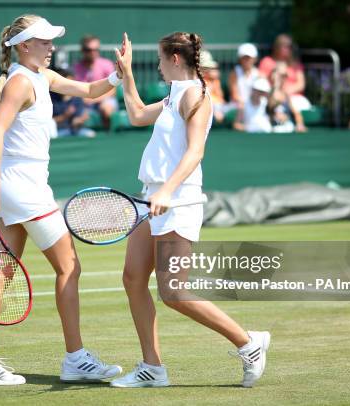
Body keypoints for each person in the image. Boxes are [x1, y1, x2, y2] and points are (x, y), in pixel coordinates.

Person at [0, 14, 124, 386]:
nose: (52, 47)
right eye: (44, 41)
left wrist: (119, 74)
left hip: (20, 185)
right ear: (24, 45)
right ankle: (75, 358)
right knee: (69, 267)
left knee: (1, 269)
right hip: (23, 186)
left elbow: (90, 91)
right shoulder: (20, 83)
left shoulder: (43, 77)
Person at [112, 32, 270, 388]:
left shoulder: (197, 95)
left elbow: (195, 151)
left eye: (159, 59)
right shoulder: (172, 95)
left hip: (177, 201)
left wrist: (167, 191)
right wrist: (127, 75)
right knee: (133, 278)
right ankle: (152, 367)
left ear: (176, 59)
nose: (157, 64)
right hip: (151, 198)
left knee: (174, 293)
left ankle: (249, 343)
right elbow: (137, 114)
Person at [72, 35, 118, 129]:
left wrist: (94, 99)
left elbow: (112, 91)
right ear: (83, 50)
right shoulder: (76, 67)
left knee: (106, 109)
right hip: (83, 102)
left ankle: (108, 136)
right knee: (75, 114)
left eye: (96, 49)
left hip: (103, 99)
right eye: (89, 50)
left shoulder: (107, 64)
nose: (93, 52)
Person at [258, 34, 310, 111]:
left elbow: (301, 84)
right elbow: (261, 81)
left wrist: (287, 92)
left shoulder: (295, 64)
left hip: (294, 98)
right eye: (285, 46)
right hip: (272, 97)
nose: (288, 49)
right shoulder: (266, 61)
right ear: (277, 47)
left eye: (290, 46)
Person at [51, 68, 95, 138]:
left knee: (90, 134)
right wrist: (64, 116)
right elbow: (49, 122)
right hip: (59, 131)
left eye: (71, 82)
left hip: (76, 130)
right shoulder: (51, 98)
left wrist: (80, 120)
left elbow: (76, 120)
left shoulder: (77, 98)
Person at [228, 43, 259, 110]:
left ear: (255, 59)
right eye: (244, 58)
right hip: (237, 106)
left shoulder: (258, 74)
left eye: (249, 58)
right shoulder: (234, 73)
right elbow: (234, 96)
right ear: (240, 59)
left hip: (253, 106)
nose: (247, 60)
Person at [199, 50, 226, 123]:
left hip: (220, 105)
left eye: (208, 68)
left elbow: (220, 96)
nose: (208, 70)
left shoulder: (215, 80)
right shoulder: (197, 82)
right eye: (205, 68)